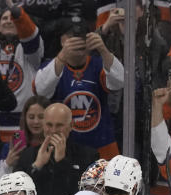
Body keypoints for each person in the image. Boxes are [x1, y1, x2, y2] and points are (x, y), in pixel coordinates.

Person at [33, 17, 124, 159]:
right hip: (65, 147)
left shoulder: (99, 63)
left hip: (103, 146)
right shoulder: (52, 66)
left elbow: (119, 82)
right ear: (62, 40)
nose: (77, 42)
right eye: (71, 38)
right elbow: (41, 91)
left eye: (82, 37)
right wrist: (62, 56)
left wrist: (103, 50)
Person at [0, 0, 45, 142]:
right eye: (4, 18)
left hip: (23, 121)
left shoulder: (30, 50)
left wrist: (13, 8)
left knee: (20, 161)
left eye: (13, 18)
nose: (8, 21)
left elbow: (29, 32)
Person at [20, 102, 98, 195]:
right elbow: (18, 194)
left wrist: (61, 163)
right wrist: (37, 166)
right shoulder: (28, 155)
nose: (53, 130)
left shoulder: (88, 155)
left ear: (71, 125)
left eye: (59, 125)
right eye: (49, 125)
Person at [0, 94, 50, 184]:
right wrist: (7, 165)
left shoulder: (56, 144)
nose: (36, 121)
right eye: (31, 117)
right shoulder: (14, 146)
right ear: (25, 118)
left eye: (41, 117)